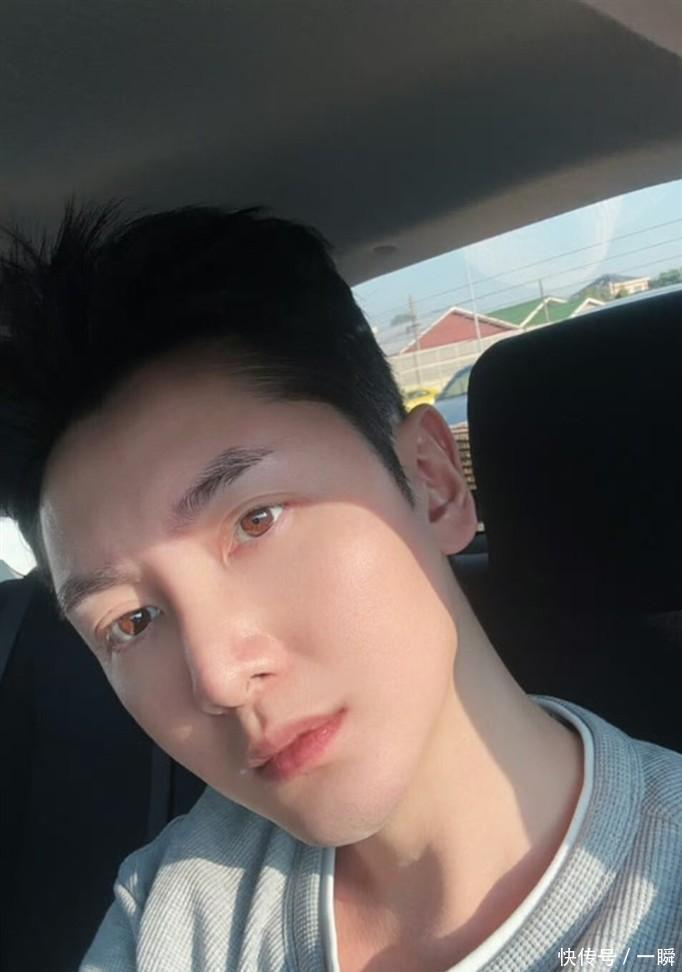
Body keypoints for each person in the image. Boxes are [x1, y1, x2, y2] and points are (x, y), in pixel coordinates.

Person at [0, 203, 680, 972]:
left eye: (256, 520)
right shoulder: (170, 910)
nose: (218, 678)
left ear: (432, 484)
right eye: (131, 622)